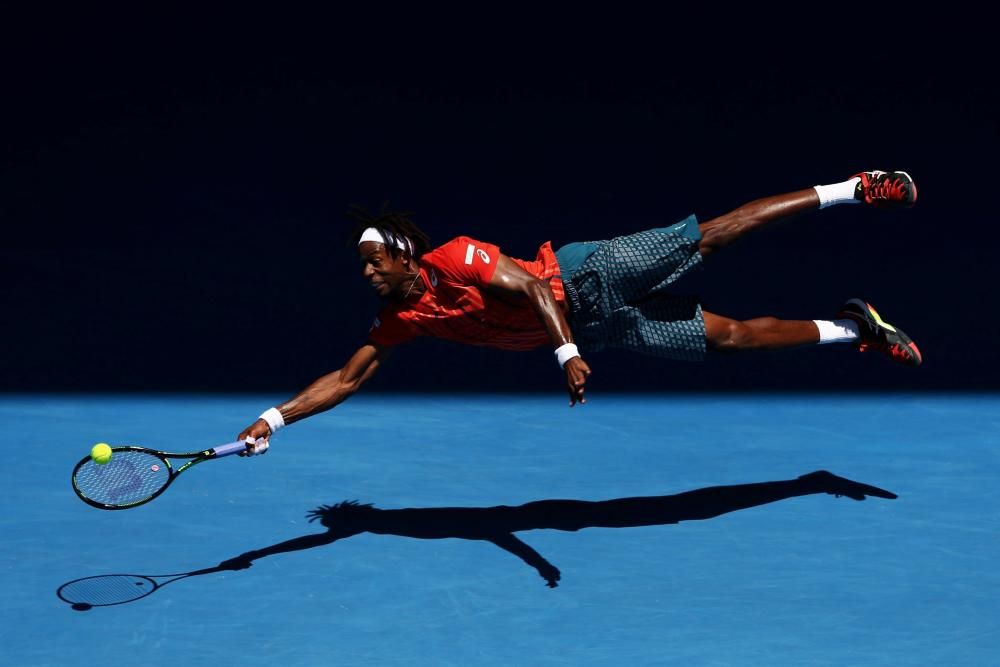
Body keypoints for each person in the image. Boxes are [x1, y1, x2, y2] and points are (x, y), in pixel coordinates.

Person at [237, 170, 919, 452]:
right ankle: (857, 326)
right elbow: (348, 377)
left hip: (586, 273)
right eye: (362, 265)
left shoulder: (451, 256)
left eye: (371, 261)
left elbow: (535, 290)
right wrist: (272, 419)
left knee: (709, 236)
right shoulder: (402, 320)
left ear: (403, 256)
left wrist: (565, 355)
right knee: (731, 338)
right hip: (596, 326)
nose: (365, 273)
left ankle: (854, 187)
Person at [218, 470, 897, 587]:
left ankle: (808, 481)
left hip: (556, 517)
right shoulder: (387, 524)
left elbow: (490, 530)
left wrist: (537, 563)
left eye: (341, 524)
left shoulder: (399, 524)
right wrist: (257, 552)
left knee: (686, 507)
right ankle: (805, 484)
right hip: (554, 516)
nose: (340, 530)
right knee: (682, 506)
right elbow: (319, 537)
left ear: (352, 521)